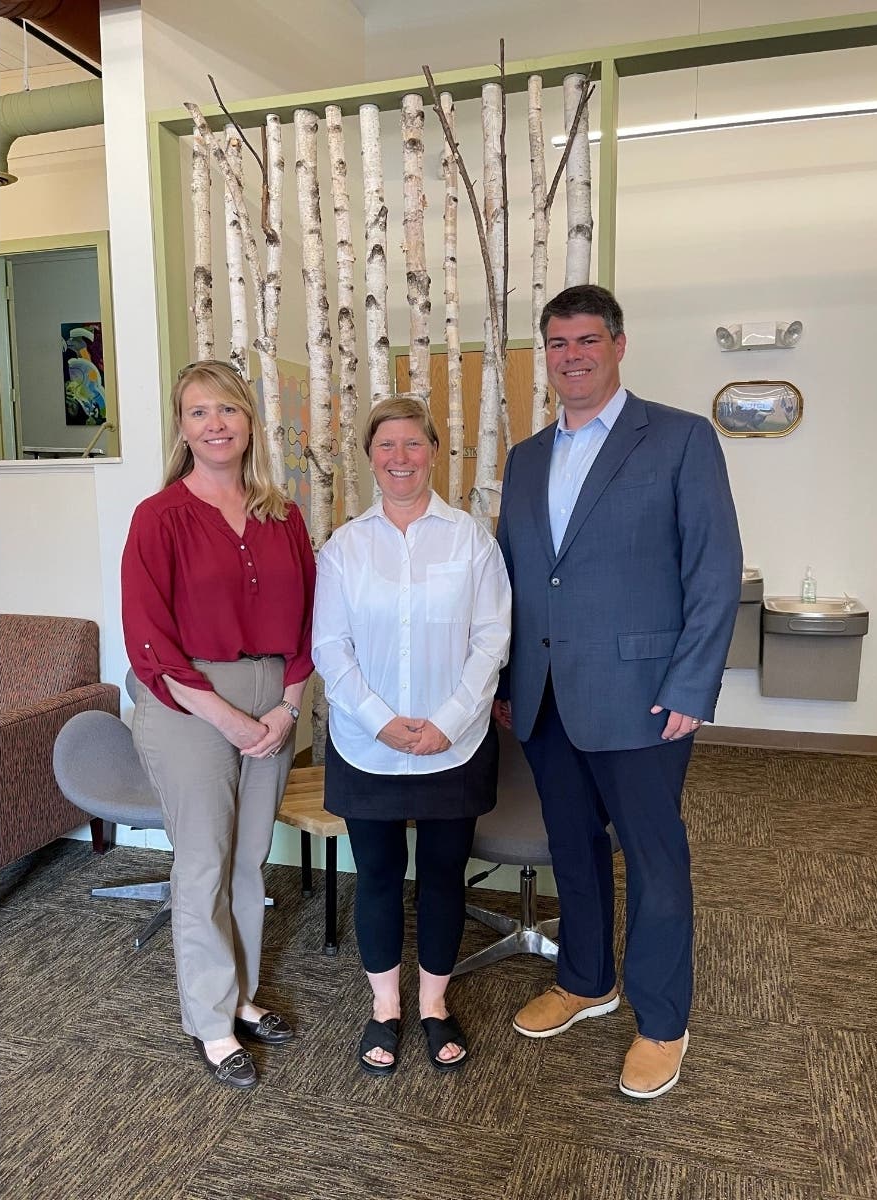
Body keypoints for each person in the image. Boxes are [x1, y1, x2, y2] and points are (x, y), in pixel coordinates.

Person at [491, 283, 742, 1101]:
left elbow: (714, 569)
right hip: (546, 695)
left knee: (656, 859)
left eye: (588, 341)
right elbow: (515, 581)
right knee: (574, 848)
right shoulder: (526, 458)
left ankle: (663, 1021)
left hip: (643, 695)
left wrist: (693, 685)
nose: (573, 356)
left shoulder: (676, 439)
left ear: (618, 346)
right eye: (559, 344)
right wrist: (503, 681)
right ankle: (587, 979)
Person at [121, 359, 317, 1091]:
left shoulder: (282, 514)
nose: (216, 424)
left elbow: (308, 625)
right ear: (182, 427)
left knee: (247, 860)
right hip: (188, 701)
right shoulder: (159, 517)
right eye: (200, 412)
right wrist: (230, 718)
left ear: (248, 422)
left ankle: (239, 996)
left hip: (275, 697)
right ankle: (209, 1022)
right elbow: (148, 640)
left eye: (228, 410)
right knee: (204, 859)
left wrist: (288, 705)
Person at [311, 395, 512, 1076]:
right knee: (377, 877)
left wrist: (448, 722)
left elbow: (492, 641)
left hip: (454, 744)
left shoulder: (471, 540)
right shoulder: (345, 547)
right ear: (370, 457)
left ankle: (433, 1005)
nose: (401, 458)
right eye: (387, 446)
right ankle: (385, 1008)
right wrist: (381, 721)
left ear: (435, 451)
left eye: (414, 444)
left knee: (442, 878)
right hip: (366, 745)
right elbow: (330, 649)